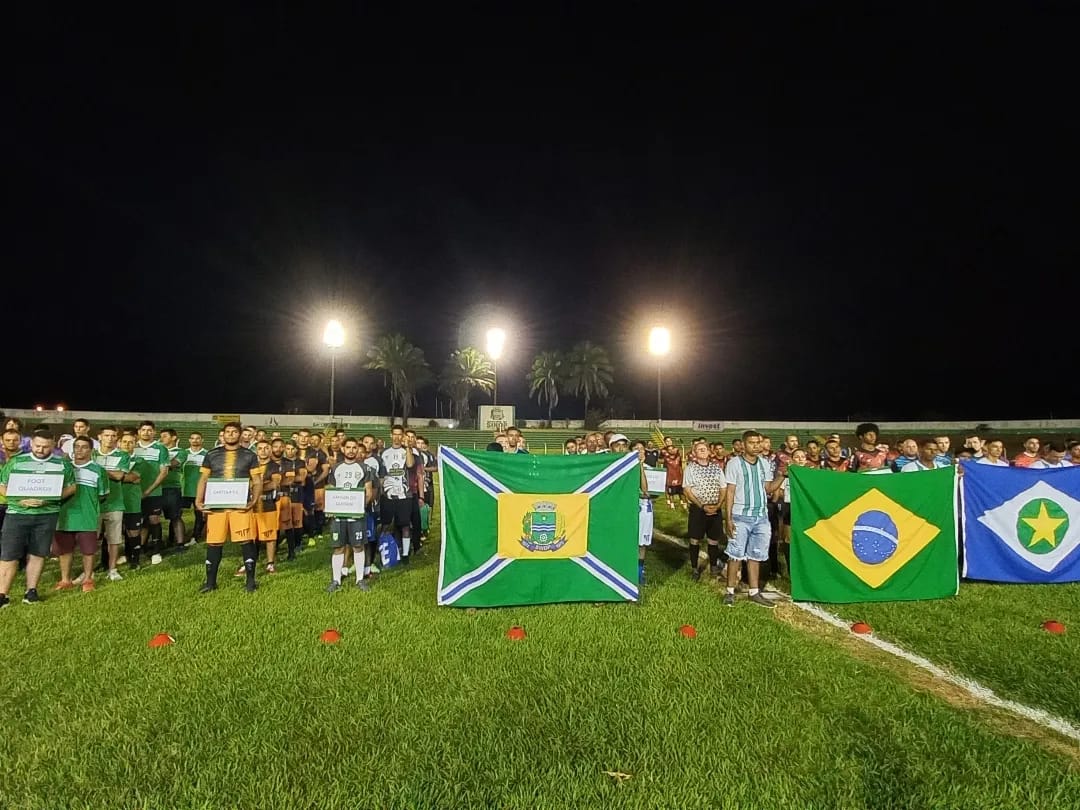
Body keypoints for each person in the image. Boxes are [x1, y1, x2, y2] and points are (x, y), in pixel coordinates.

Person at [0, 430, 77, 607]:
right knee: (9, 555)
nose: (41, 450)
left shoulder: (62, 464)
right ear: (31, 444)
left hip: (46, 515)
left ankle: (31, 592)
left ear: (53, 445)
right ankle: (3, 594)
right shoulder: (16, 461)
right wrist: (19, 499)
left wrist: (50, 498)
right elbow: (2, 485)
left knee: (38, 552)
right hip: (17, 514)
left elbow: (72, 487)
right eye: (37, 446)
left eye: (45, 447)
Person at [194, 422, 264, 593]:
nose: (231, 434)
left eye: (234, 432)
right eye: (227, 432)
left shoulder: (249, 455)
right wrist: (198, 500)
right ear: (223, 434)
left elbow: (256, 481)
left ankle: (250, 582)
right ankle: (210, 583)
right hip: (217, 506)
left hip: (240, 506)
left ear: (240, 435)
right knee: (214, 543)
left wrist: (254, 500)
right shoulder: (212, 454)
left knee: (246, 541)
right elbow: (203, 479)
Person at [723, 431, 785, 608]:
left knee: (755, 555)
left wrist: (782, 476)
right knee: (735, 555)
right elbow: (730, 491)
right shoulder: (734, 463)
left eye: (758, 442)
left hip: (761, 517)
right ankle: (729, 591)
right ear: (743, 445)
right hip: (740, 516)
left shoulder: (764, 463)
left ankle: (754, 592)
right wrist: (728, 518)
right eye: (752, 443)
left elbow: (768, 488)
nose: (756, 446)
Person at [52, 437, 109, 592]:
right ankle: (65, 580)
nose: (79, 450)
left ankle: (88, 579)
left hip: (87, 516)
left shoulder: (98, 470)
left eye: (84, 447)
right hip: (65, 515)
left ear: (91, 450)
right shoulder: (64, 468)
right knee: (65, 549)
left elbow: (103, 494)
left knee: (88, 550)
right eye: (77, 446)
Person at [325, 437, 376, 592]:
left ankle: (360, 579)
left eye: (354, 447)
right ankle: (336, 580)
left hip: (356, 515)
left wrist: (359, 507)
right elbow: (331, 489)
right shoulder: (336, 468)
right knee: (338, 547)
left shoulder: (364, 468)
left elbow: (368, 492)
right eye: (348, 447)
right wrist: (331, 507)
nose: (351, 450)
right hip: (338, 516)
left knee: (358, 546)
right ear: (343, 449)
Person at [682, 440, 728, 582]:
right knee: (695, 539)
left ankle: (713, 566)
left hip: (715, 508)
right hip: (698, 509)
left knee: (713, 540)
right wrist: (701, 506)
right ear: (694, 453)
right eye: (699, 449)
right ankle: (695, 568)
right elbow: (687, 490)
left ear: (709, 452)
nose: (702, 451)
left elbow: (723, 487)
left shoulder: (716, 468)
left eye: (705, 449)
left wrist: (718, 505)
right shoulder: (690, 468)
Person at [93, 426, 130, 581]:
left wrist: (98, 470)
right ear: (99, 437)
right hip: (93, 503)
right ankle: (89, 571)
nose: (110, 438)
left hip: (115, 503)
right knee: (91, 539)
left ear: (117, 438)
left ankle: (112, 570)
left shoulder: (123, 455)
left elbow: (119, 475)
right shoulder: (91, 454)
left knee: (114, 539)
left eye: (113, 436)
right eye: (106, 435)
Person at [133, 421, 170, 564]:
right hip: (133, 493)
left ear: (154, 432)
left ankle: (156, 551)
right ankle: (136, 550)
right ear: (139, 432)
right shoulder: (133, 447)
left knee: (154, 519)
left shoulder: (161, 448)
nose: (146, 432)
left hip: (153, 492)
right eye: (143, 430)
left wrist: (148, 490)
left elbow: (164, 472)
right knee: (135, 523)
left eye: (149, 430)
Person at [379, 425, 416, 562]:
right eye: (394, 434)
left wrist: (407, 448)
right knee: (385, 525)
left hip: (404, 495)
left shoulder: (407, 451)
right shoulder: (384, 453)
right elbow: (381, 474)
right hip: (388, 495)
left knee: (405, 525)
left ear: (403, 436)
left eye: (400, 434)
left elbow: (410, 465)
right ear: (391, 435)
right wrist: (382, 490)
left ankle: (405, 554)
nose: (397, 437)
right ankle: (385, 551)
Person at [777, 448, 809, 576]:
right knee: (789, 540)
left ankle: (805, 569)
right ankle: (791, 570)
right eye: (797, 457)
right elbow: (779, 491)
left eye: (802, 457)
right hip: (789, 508)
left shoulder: (811, 475)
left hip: (806, 510)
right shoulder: (787, 475)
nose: (800, 459)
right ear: (791, 460)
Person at [118, 432, 145, 567]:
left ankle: (135, 560)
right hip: (114, 500)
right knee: (110, 532)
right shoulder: (114, 458)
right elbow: (127, 477)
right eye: (124, 442)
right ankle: (106, 563)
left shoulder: (139, 460)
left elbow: (133, 477)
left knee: (133, 531)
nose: (127, 445)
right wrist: (124, 476)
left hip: (132, 500)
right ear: (119, 443)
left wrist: (117, 475)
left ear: (135, 444)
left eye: (131, 442)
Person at [159, 428, 187, 552]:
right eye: (161, 436)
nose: (162, 438)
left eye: (165, 436)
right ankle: (155, 542)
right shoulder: (158, 450)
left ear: (174, 437)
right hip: (155, 488)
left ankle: (180, 543)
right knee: (152, 518)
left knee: (175, 517)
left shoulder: (181, 452)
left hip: (172, 488)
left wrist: (157, 463)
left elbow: (172, 464)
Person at [280, 441, 306, 560]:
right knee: (286, 521)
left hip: (297, 493)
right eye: (288, 449)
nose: (289, 451)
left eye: (292, 449)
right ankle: (287, 545)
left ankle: (298, 544)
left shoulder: (300, 462)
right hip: (284, 493)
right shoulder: (282, 461)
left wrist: (288, 479)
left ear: (296, 450)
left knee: (297, 521)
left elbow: (302, 478)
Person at [181, 432, 208, 544]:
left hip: (199, 490)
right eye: (192, 438)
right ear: (189, 440)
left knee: (199, 514)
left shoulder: (207, 454)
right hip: (184, 489)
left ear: (202, 440)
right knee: (177, 515)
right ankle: (176, 538)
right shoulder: (184, 453)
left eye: (197, 438)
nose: (195, 440)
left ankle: (195, 537)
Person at [661, 437, 685, 510]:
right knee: (669, 486)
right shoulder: (663, 450)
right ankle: (669, 501)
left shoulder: (676, 450)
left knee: (680, 488)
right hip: (668, 470)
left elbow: (680, 459)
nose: (669, 442)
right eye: (667, 441)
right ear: (665, 442)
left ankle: (682, 502)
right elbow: (660, 459)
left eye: (670, 441)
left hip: (676, 471)